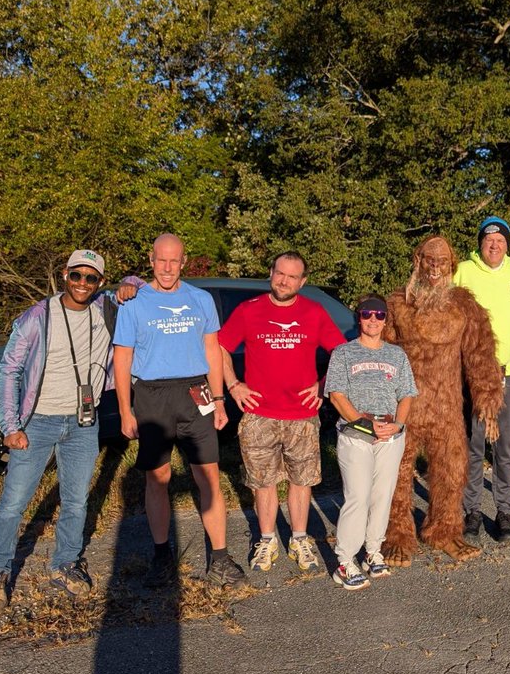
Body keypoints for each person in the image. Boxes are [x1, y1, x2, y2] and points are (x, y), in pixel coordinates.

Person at [0, 249, 137, 611]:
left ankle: (65, 562)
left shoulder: (106, 309)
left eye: (91, 278)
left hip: (84, 422)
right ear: (64, 275)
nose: (82, 284)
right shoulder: (37, 317)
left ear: (100, 282)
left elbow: (141, 288)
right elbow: (9, 371)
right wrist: (11, 426)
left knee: (76, 499)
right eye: (76, 276)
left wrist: (130, 283)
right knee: (14, 502)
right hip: (38, 422)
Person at [113, 233, 247, 589]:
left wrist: (218, 400)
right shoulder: (134, 302)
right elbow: (122, 358)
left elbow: (212, 350)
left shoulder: (200, 299)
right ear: (151, 260)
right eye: (161, 260)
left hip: (196, 393)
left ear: (184, 261)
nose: (168, 267)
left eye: (174, 261)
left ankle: (219, 557)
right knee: (157, 479)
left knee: (209, 477)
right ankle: (161, 556)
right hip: (152, 396)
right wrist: (125, 410)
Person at [217, 251, 346, 576]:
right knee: (263, 481)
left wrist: (322, 386)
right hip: (259, 415)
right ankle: (267, 538)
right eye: (279, 273)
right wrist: (233, 385)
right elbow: (220, 348)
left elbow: (341, 353)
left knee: (301, 481)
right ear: (271, 273)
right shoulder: (249, 311)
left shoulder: (314, 312)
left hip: (302, 415)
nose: (284, 280)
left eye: (292, 276)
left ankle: (299, 538)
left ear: (302, 282)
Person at [381, 235, 503, 566]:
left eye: (442, 262)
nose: (435, 268)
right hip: (404, 407)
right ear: (417, 261)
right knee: (398, 472)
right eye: (429, 260)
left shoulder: (463, 305)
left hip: (447, 408)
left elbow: (480, 354)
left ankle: (444, 531)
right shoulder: (397, 305)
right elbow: (379, 355)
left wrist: (487, 399)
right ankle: (397, 534)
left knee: (452, 469)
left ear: (452, 265)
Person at [453, 216, 510, 542]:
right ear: (480, 243)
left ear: (507, 244)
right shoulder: (463, 271)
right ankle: (472, 510)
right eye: (489, 240)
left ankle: (504, 511)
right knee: (473, 445)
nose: (494, 245)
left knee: (505, 447)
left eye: (500, 240)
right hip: (473, 372)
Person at [324, 294, 418, 589]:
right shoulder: (343, 353)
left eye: (379, 315)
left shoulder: (396, 355)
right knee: (358, 497)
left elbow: (406, 395)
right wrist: (366, 425)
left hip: (390, 435)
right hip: (356, 435)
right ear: (359, 318)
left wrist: (398, 425)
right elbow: (336, 395)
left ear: (386, 320)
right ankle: (344, 560)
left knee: (382, 496)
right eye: (367, 314)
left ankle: (373, 551)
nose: (373, 320)